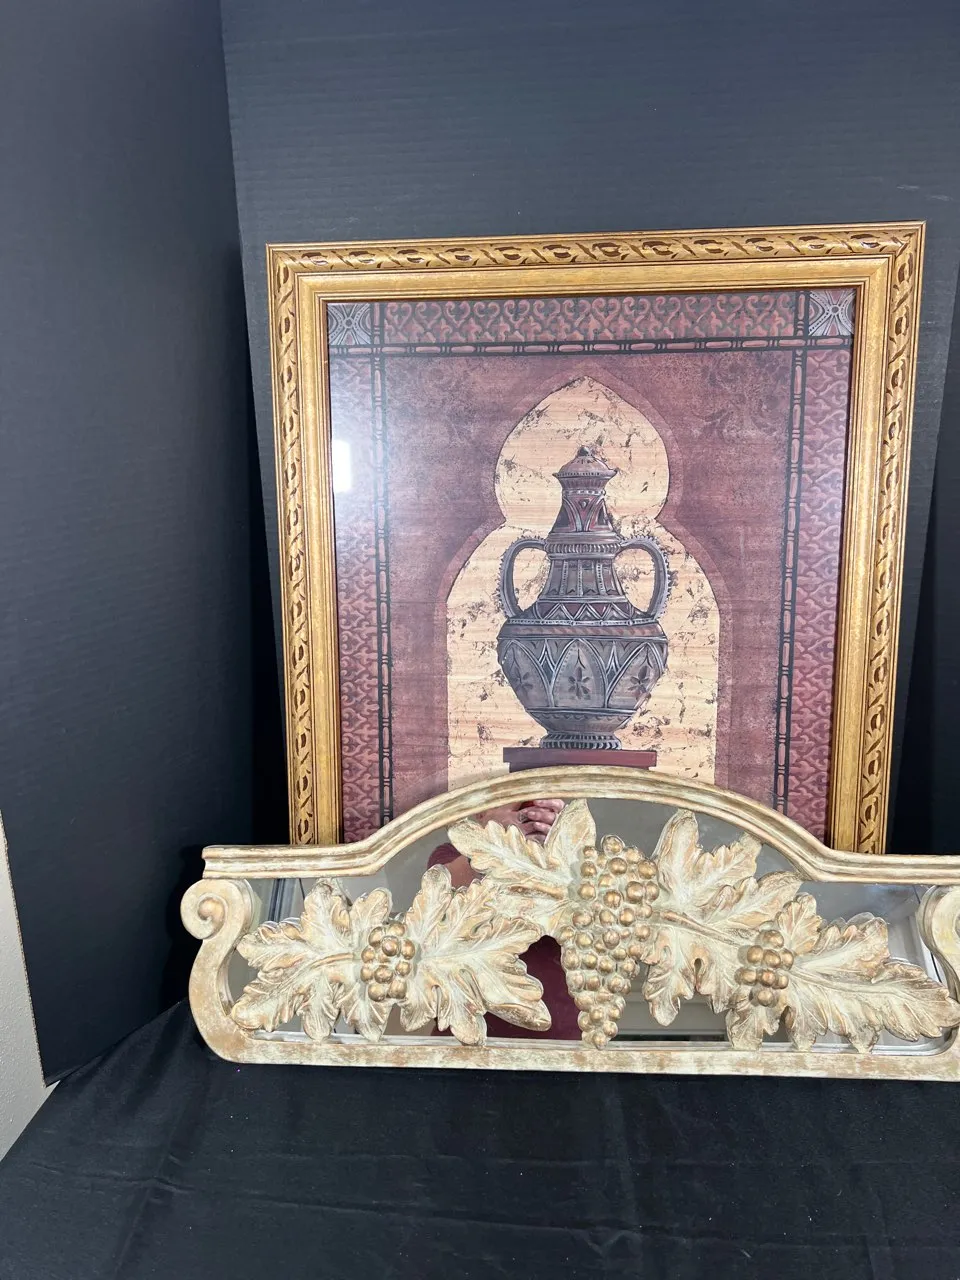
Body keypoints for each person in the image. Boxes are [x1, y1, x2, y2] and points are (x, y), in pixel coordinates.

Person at [427, 798, 579, 1039]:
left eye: (541, 805)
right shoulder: (452, 854)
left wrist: (565, 838)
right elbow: (444, 891)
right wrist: (493, 840)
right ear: (480, 813)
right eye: (514, 799)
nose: (530, 812)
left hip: (563, 1042)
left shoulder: (577, 862)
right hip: (469, 1040)